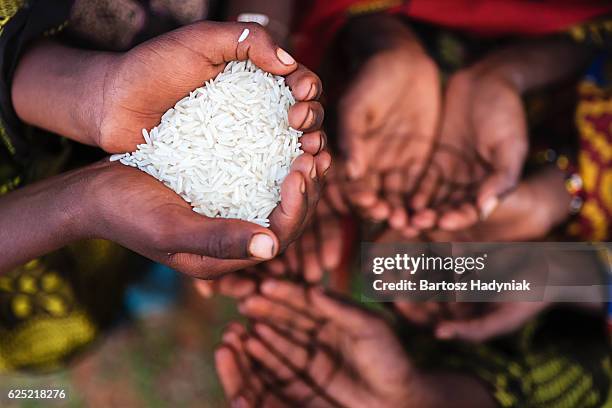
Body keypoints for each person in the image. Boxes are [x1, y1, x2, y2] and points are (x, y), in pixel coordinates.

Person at [0, 1, 328, 371]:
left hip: (162, 87)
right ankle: (137, 298)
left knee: (163, 239)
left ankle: (152, 284)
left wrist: (256, 33)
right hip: (28, 256)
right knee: (115, 268)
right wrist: (80, 204)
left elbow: (256, 28)